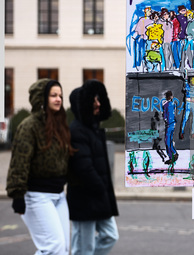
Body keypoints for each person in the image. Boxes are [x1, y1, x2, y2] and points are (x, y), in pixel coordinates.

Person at [6, 79, 74, 255]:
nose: (58, 99)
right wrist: (17, 193)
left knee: (63, 249)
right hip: (37, 197)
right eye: (53, 95)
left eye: (60, 95)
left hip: (59, 195)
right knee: (53, 247)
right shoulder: (29, 127)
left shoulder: (59, 125)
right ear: (41, 98)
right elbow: (19, 162)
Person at [67, 79, 119, 255]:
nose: (98, 104)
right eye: (94, 100)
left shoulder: (93, 128)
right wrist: (100, 187)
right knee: (83, 248)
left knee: (111, 235)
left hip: (98, 196)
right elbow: (84, 167)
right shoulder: (77, 130)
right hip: (85, 198)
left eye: (99, 99)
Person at [162, 90, 178, 165]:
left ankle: (171, 157)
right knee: (170, 140)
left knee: (167, 141)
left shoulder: (165, 104)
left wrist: (166, 120)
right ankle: (174, 153)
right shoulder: (173, 104)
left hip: (169, 124)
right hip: (173, 124)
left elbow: (164, 115)